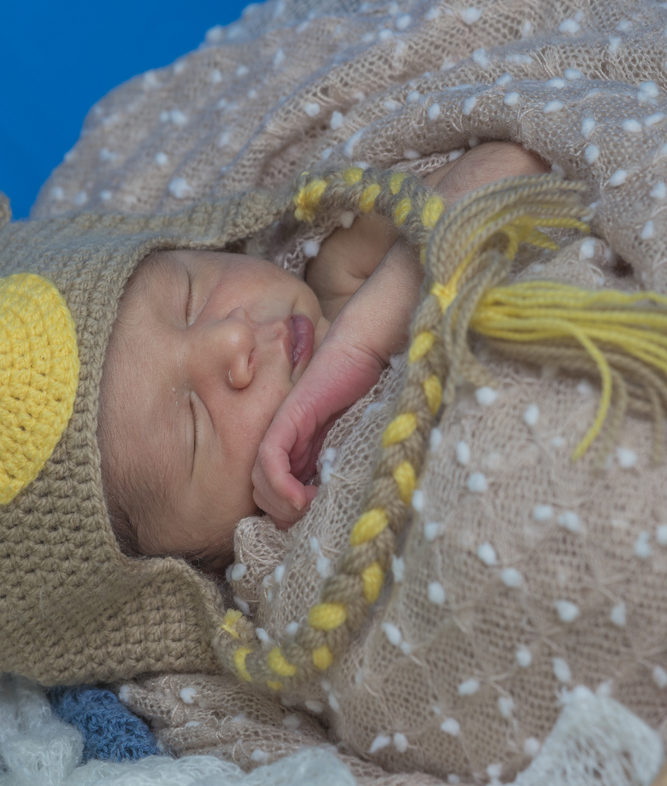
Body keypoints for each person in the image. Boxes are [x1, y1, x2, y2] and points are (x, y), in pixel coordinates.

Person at [98, 141, 549, 572]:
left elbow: (519, 165)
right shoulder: (303, 568)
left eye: (189, 299)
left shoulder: (341, 271)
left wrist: (360, 341)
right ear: (208, 564)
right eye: (195, 425)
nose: (232, 338)